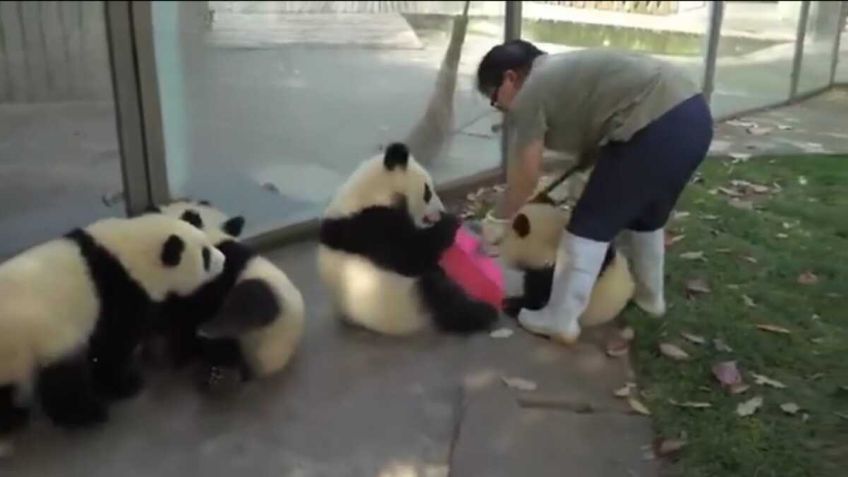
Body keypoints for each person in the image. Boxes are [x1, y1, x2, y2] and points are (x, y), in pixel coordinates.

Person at [478, 40, 713, 344]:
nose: (501, 109)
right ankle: (649, 299)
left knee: (587, 226)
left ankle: (559, 319)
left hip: (654, 123)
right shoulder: (564, 73)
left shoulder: (530, 92)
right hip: (693, 117)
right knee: (644, 218)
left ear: (510, 78)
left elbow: (523, 179)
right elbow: (593, 153)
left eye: (495, 100)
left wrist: (498, 221)